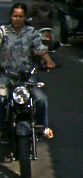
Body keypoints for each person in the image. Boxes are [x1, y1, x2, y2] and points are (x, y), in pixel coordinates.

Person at [0, 3, 57, 138]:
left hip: (29, 76)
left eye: (20, 16)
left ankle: (43, 127)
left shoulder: (32, 32)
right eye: (15, 16)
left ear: (25, 17)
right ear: (11, 16)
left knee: (41, 99)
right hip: (6, 75)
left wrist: (49, 61)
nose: (17, 19)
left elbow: (40, 49)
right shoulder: (3, 31)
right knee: (1, 99)